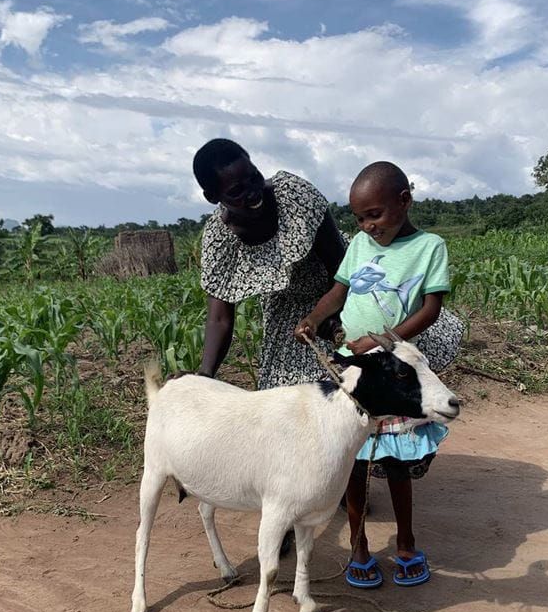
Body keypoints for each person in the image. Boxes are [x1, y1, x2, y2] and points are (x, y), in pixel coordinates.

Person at [295, 161, 463, 588]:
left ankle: (405, 543)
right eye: (359, 218)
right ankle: (358, 545)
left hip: (393, 370)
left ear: (404, 201)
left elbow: (430, 309)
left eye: (376, 215)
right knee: (350, 460)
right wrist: (314, 318)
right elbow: (340, 291)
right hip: (352, 371)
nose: (368, 226)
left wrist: (381, 340)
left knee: (397, 462)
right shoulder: (358, 246)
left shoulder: (429, 247)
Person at [193, 138, 347, 557]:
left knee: (345, 392)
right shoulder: (218, 241)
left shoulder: (296, 198)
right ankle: (290, 513)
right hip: (285, 318)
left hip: (336, 297)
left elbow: (343, 270)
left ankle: (346, 480)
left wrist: (328, 320)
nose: (253, 192)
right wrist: (204, 378)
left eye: (253, 177)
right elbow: (221, 317)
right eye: (237, 190)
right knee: (283, 408)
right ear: (213, 197)